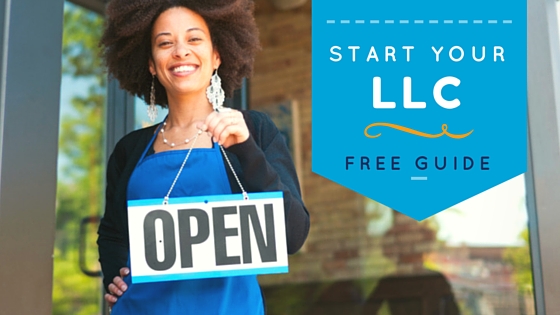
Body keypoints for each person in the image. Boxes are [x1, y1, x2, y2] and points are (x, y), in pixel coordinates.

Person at [97, 0, 310, 314]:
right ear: (152, 65)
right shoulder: (130, 150)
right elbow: (113, 231)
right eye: (165, 43)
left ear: (216, 56)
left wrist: (246, 149)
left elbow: (292, 235)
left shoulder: (254, 130)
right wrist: (115, 276)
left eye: (194, 39)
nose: (180, 51)